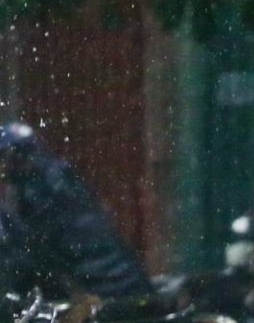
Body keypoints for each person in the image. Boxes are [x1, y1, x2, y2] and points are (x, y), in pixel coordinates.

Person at [0, 121, 151, 300]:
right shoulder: (54, 175)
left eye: (4, 157)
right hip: (122, 277)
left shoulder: (39, 189)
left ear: (16, 155)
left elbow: (38, 248)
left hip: (105, 287)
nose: (3, 165)